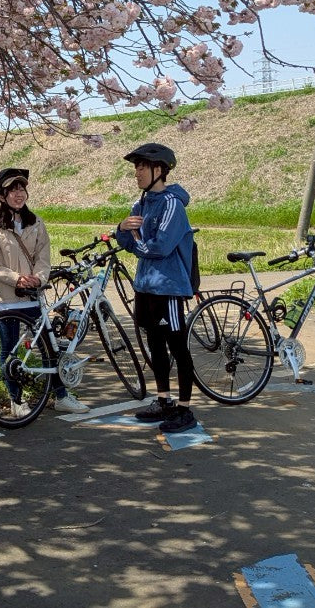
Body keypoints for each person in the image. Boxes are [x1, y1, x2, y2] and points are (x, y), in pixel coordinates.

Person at [0, 167, 88, 416]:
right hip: (6, 299)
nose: (19, 194)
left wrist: (38, 279)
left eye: (22, 188)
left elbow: (43, 256)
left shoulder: (35, 222)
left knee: (48, 347)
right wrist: (17, 279)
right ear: (1, 194)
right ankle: (16, 402)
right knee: (9, 351)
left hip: (32, 296)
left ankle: (61, 395)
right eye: (13, 189)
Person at [114, 142, 198, 435]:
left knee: (177, 345)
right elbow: (126, 244)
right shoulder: (140, 204)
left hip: (168, 288)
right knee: (155, 345)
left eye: (142, 167)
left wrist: (134, 238)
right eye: (136, 167)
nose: (137, 173)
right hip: (146, 286)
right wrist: (122, 228)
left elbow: (160, 247)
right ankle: (163, 400)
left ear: (159, 170)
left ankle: (185, 409)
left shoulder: (173, 204)